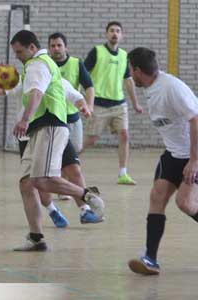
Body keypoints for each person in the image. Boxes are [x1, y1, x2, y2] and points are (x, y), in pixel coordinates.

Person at [8, 30, 104, 251]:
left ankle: (87, 196)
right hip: (36, 130)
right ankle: (36, 238)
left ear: (32, 47)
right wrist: (80, 103)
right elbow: (64, 88)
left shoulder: (37, 64)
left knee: (44, 179)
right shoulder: (42, 65)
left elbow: (37, 93)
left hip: (49, 125)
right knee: (26, 183)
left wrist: (23, 119)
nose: (18, 56)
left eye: (19, 51)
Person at [127, 47, 198, 275]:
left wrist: (194, 161)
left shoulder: (171, 88)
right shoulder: (150, 87)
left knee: (184, 203)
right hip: (173, 153)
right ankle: (150, 258)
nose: (130, 75)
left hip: (193, 154)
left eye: (130, 70)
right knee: (157, 196)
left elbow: (196, 120)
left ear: (138, 71)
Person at [0, 78, 103, 226]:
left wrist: (84, 106)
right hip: (29, 135)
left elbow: (76, 97)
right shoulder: (26, 81)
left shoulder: (59, 81)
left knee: (74, 170)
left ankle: (85, 210)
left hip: (55, 130)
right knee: (35, 179)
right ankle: (53, 210)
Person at [83, 21, 143, 185]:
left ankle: (123, 173)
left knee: (124, 134)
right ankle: (66, 163)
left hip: (119, 104)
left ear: (122, 35)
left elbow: (128, 80)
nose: (114, 33)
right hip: (99, 104)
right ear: (106, 34)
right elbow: (82, 73)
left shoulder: (124, 55)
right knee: (92, 139)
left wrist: (135, 103)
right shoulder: (97, 52)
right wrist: (83, 100)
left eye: (118, 31)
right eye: (111, 31)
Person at [48, 32, 95, 153]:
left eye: (59, 45)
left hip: (72, 117)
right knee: (54, 154)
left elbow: (89, 86)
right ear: (49, 48)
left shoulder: (76, 63)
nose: (56, 48)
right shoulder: (45, 65)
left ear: (66, 47)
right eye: (52, 46)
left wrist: (89, 106)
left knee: (74, 152)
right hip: (52, 118)